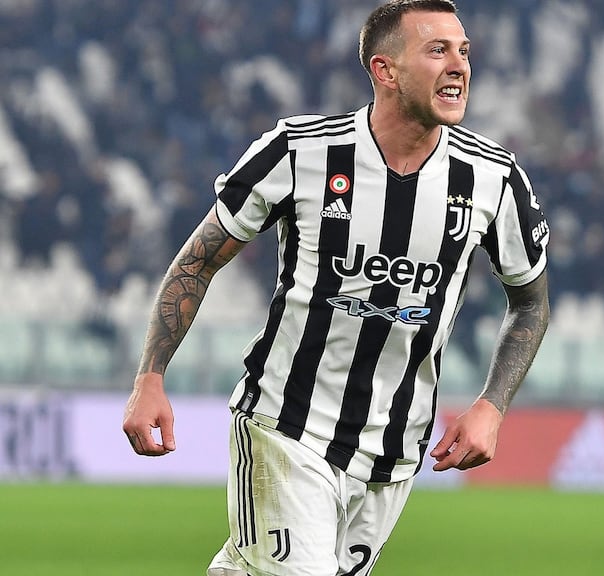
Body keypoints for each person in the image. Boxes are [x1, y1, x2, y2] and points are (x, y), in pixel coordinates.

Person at [121, 1, 550, 574]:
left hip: (391, 455)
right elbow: (196, 262)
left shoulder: (494, 179)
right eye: (437, 50)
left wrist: (492, 407)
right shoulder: (300, 152)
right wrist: (150, 377)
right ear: (385, 70)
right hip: (286, 427)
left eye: (464, 51)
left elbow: (531, 303)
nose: (458, 66)